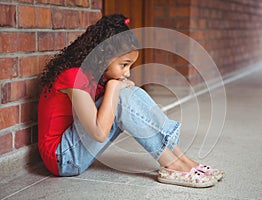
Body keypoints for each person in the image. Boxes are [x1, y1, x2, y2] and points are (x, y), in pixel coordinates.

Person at [38, 14, 224, 188]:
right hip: (63, 158)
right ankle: (175, 164)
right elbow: (99, 133)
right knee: (121, 97)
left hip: (73, 148)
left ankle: (182, 160)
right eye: (124, 65)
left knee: (128, 93)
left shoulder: (93, 75)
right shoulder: (73, 77)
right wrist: (114, 88)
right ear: (102, 54)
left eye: (130, 65)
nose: (127, 72)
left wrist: (120, 88)